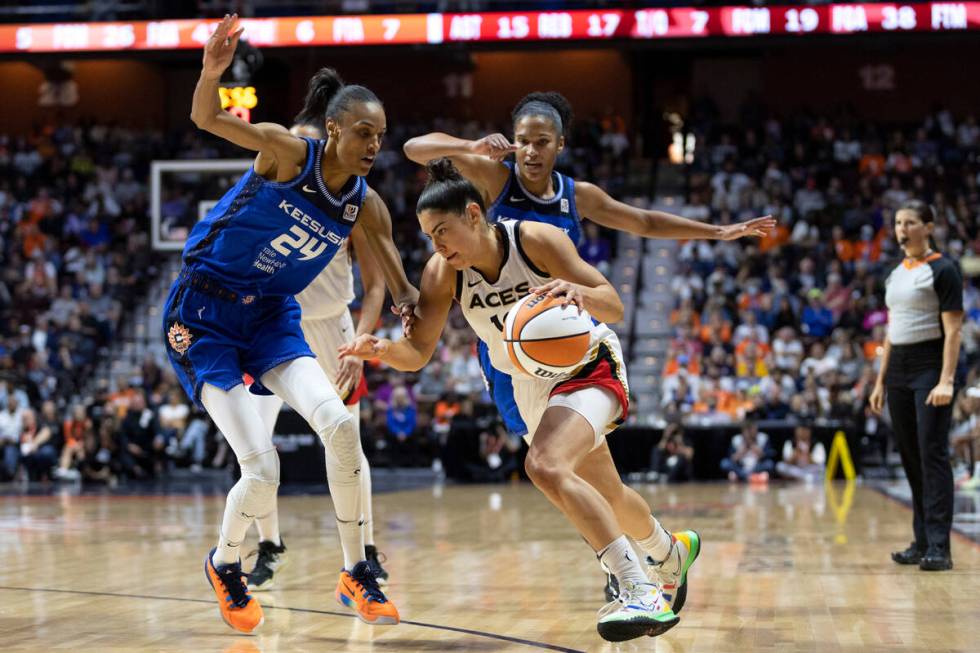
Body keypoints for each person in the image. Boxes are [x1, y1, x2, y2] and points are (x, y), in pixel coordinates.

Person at [404, 92, 769, 599]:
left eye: (542, 143)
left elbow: (642, 222)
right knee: (599, 485)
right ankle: (667, 553)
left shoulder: (577, 197)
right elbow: (412, 148)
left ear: (560, 145)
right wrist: (473, 145)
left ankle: (621, 575)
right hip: (511, 359)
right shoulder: (492, 179)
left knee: (553, 468)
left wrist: (716, 231)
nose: (531, 152)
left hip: (567, 343)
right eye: (523, 141)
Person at [340, 160, 701, 642]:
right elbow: (418, 354)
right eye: (429, 237)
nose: (438, 246)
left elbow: (611, 302)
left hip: (585, 363)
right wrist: (381, 351)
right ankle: (668, 550)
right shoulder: (443, 272)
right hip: (530, 385)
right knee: (608, 495)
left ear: (473, 214)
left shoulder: (535, 240)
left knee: (546, 466)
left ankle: (637, 587)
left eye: (443, 231)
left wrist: (578, 290)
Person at [168, 14, 414, 633]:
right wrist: (211, 72)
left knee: (340, 425)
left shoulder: (366, 202)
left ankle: (357, 570)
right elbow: (207, 119)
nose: (373, 145)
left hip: (275, 317)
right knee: (262, 467)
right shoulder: (285, 152)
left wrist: (443, 287)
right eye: (363, 132)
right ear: (333, 129)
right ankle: (226, 564)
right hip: (204, 314)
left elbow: (401, 284)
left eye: (380, 136)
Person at [243, 114, 389, 593]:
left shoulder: (351, 205)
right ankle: (270, 544)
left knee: (347, 440)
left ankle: (363, 552)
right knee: (254, 447)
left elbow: (377, 286)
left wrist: (360, 345)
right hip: (272, 324)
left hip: (333, 329)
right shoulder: (272, 194)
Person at [870, 200, 964, 572]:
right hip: (899, 371)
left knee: (932, 453)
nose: (902, 229)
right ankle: (922, 540)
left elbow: (954, 330)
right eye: (897, 223)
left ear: (929, 226)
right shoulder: (895, 274)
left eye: (910, 222)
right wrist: (879, 381)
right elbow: (892, 331)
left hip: (930, 365)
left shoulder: (943, 270)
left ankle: (940, 546)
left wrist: (946, 380)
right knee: (910, 456)